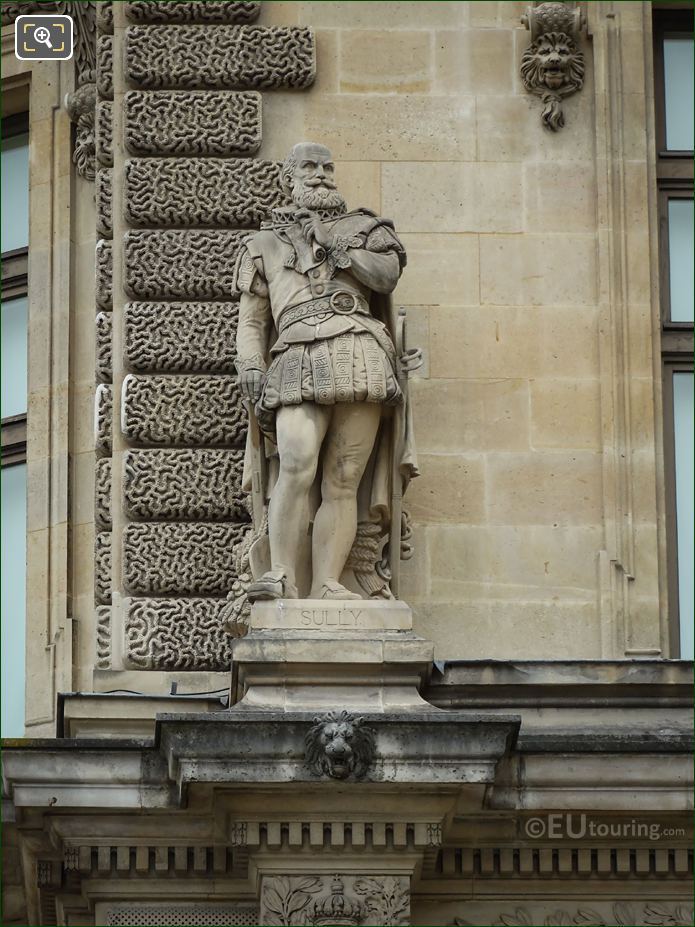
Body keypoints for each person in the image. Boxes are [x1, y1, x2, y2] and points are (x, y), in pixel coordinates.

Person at [234, 142, 418, 602]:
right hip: (296, 351)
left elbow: (385, 277)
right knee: (295, 461)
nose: (321, 175)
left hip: (360, 348)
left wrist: (336, 245)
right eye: (310, 167)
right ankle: (280, 574)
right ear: (289, 179)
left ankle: (328, 583)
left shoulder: (365, 229)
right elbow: (253, 320)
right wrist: (251, 363)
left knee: (344, 478)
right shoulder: (264, 244)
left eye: (327, 167)